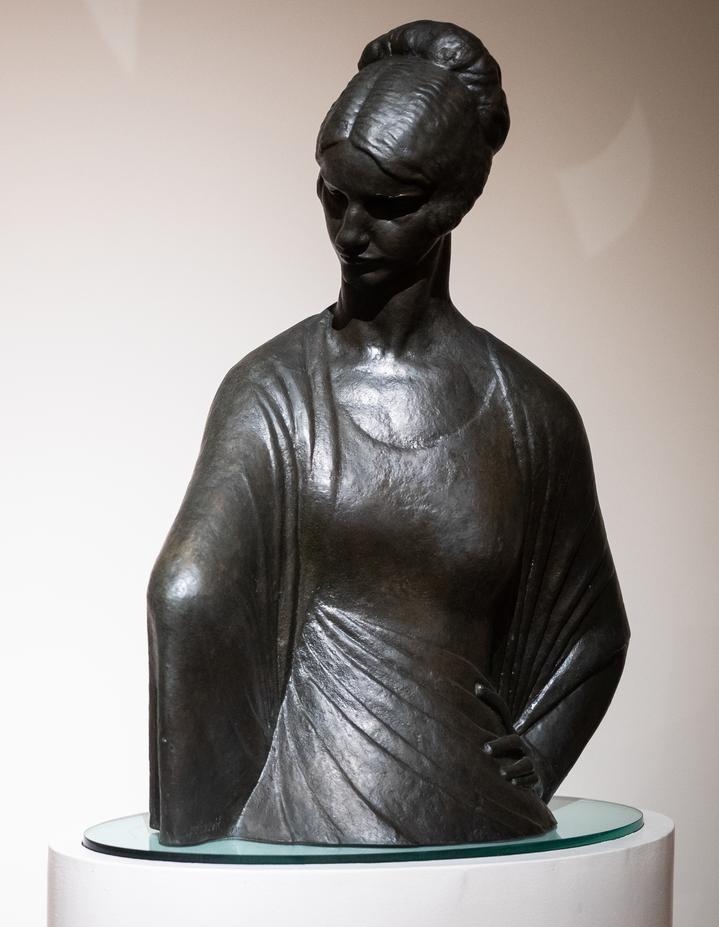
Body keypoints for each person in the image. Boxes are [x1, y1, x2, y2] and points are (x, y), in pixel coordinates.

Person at [148, 20, 629, 847]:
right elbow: (190, 594)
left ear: (455, 202)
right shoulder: (271, 392)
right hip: (296, 807)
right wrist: (189, 830)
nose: (350, 231)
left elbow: (592, 629)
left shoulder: (529, 414)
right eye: (334, 195)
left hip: (474, 812)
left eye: (390, 206)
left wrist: (540, 755)